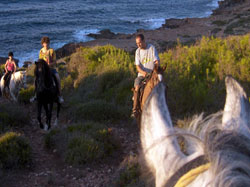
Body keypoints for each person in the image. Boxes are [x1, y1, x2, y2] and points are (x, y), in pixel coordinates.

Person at [131, 34, 160, 117]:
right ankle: (135, 109)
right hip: (142, 75)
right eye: (137, 43)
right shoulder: (137, 52)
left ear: (144, 41)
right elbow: (137, 67)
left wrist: (155, 69)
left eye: (139, 43)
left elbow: (156, 61)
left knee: (162, 85)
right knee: (137, 86)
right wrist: (144, 73)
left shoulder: (151, 48)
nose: (138, 45)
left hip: (152, 74)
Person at [30, 36, 64, 103]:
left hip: (51, 69)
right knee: (36, 80)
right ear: (42, 44)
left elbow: (55, 61)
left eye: (47, 43)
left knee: (58, 79)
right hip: (43, 70)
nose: (46, 44)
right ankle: (36, 95)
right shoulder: (41, 51)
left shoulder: (52, 51)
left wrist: (49, 65)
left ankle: (59, 96)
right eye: (45, 43)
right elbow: (40, 61)